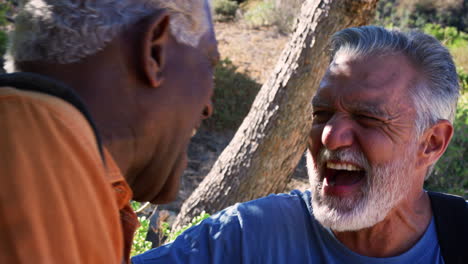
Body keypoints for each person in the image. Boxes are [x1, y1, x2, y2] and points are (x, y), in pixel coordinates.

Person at [132, 26, 467, 264]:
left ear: (431, 143)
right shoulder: (247, 238)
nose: (328, 137)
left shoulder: (459, 238)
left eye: (368, 118)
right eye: (322, 113)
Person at [0, 0, 219, 263]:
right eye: (209, 64)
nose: (208, 107)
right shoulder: (43, 196)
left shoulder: (74, 183)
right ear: (155, 51)